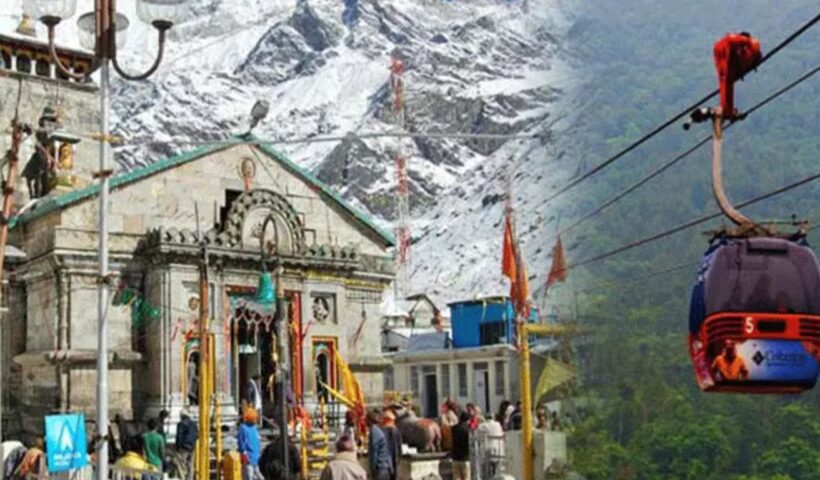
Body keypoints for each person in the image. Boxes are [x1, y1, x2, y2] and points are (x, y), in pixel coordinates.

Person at [366, 410, 392, 480]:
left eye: (366, 419)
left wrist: (372, 469)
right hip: (384, 468)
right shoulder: (377, 430)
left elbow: (374, 451)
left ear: (370, 420)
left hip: (380, 468)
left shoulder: (374, 431)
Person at [238, 408, 263, 480]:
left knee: (256, 474)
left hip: (255, 455)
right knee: (249, 475)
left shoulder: (254, 427)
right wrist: (244, 453)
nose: (255, 420)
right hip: (248, 456)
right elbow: (241, 442)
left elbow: (257, 441)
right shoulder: (243, 428)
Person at [175, 409, 198, 480]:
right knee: (191, 465)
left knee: (181, 464)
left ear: (181, 416)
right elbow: (197, 435)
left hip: (183, 447)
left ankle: (182, 478)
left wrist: (177, 448)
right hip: (192, 447)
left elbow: (179, 436)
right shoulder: (194, 424)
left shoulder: (181, 424)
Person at [381, 410, 403, 480]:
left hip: (385, 464)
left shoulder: (382, 431)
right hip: (395, 460)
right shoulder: (397, 431)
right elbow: (400, 448)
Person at [451, 412, 471, 480]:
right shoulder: (467, 430)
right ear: (467, 420)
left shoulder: (454, 428)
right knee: (466, 477)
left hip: (455, 457)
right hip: (465, 457)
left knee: (456, 477)